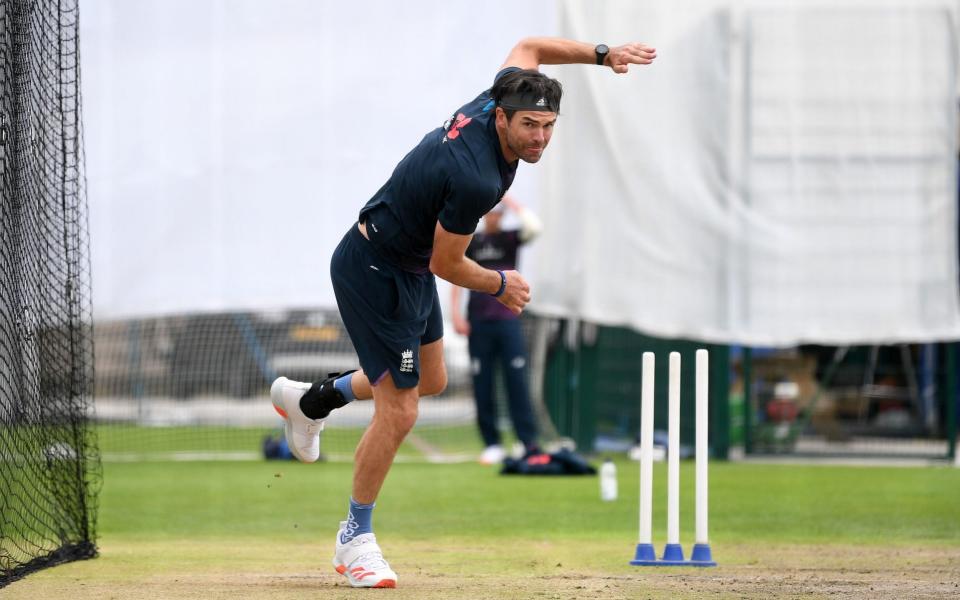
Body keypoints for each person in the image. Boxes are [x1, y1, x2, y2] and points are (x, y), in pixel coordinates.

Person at [270, 37, 656, 589]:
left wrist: (601, 55)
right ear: (500, 118)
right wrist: (500, 283)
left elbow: (530, 46)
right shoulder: (475, 175)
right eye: (529, 126)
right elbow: (448, 262)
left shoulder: (499, 95)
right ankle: (355, 538)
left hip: (405, 267)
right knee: (400, 411)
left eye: (548, 126)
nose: (540, 137)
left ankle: (310, 401)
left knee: (430, 379)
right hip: (374, 268)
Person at [450, 195, 543, 464]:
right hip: (479, 323)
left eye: (498, 213)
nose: (493, 218)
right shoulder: (472, 241)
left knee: (517, 382)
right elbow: (454, 273)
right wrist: (456, 314)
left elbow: (535, 228)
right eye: (489, 213)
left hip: (508, 321)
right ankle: (492, 443)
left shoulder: (510, 239)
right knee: (483, 383)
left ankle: (527, 442)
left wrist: (509, 200)